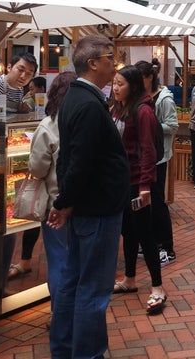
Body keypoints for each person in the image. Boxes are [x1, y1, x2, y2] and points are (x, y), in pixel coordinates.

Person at [46, 35, 129, 359]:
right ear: (93, 63)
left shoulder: (76, 99)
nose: (114, 64)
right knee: (93, 289)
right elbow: (79, 162)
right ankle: (87, 353)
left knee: (72, 281)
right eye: (110, 58)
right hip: (97, 212)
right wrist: (65, 202)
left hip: (86, 207)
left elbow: (73, 159)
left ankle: (65, 349)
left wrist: (67, 201)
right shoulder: (88, 104)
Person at [110, 65, 167, 314]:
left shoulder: (143, 111)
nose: (115, 88)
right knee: (128, 232)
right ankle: (130, 280)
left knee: (145, 233)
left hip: (137, 183)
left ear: (132, 86)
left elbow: (148, 150)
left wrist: (145, 186)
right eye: (113, 83)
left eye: (120, 84)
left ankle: (158, 287)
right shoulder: (117, 108)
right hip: (121, 183)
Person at [27, 71, 77, 317]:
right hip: (83, 203)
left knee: (58, 261)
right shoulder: (84, 121)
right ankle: (77, 314)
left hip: (55, 205)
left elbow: (37, 168)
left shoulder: (48, 125)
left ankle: (61, 316)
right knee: (78, 261)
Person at [135, 59, 178, 266]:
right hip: (144, 155)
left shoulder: (164, 99)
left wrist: (150, 126)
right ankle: (152, 242)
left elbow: (172, 125)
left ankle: (167, 248)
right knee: (148, 203)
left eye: (139, 78)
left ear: (149, 77)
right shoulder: (141, 97)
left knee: (158, 202)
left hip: (159, 156)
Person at [0, 53, 38, 118]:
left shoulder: (19, 90)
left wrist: (20, 108)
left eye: (29, 73)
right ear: (9, 67)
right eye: (20, 70)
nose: (23, 76)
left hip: (5, 127)